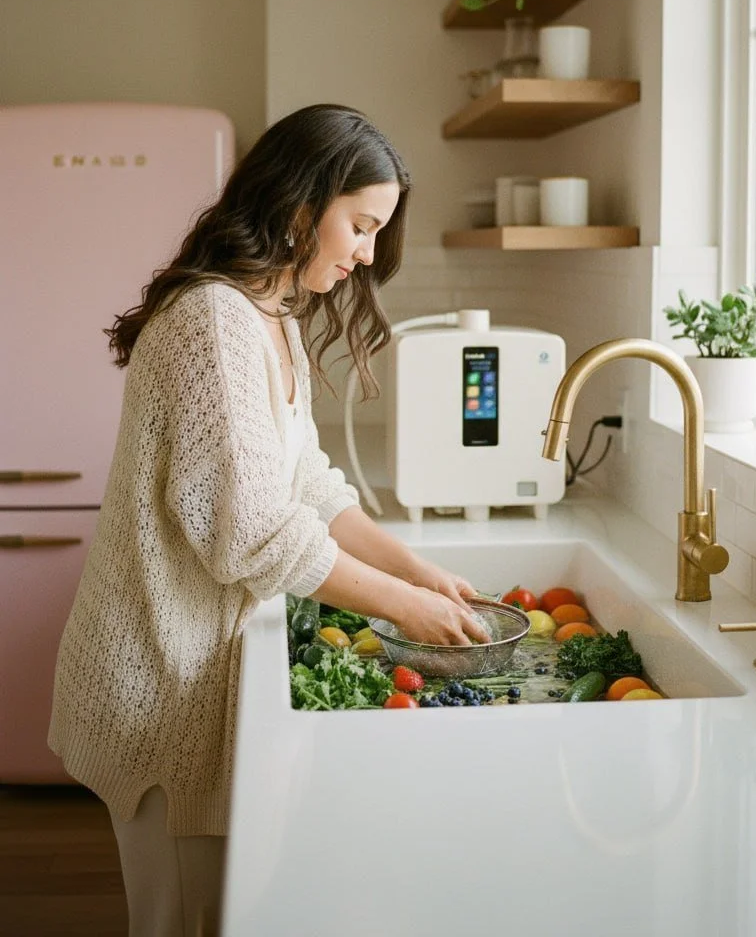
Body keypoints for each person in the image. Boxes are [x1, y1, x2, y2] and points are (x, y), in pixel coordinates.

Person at [48, 103, 488, 937]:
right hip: (161, 680)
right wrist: (406, 610)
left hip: (198, 673)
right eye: (360, 227)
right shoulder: (215, 324)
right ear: (299, 206)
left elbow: (306, 485)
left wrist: (413, 570)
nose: (365, 256)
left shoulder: (267, 316)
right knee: (183, 920)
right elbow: (250, 530)